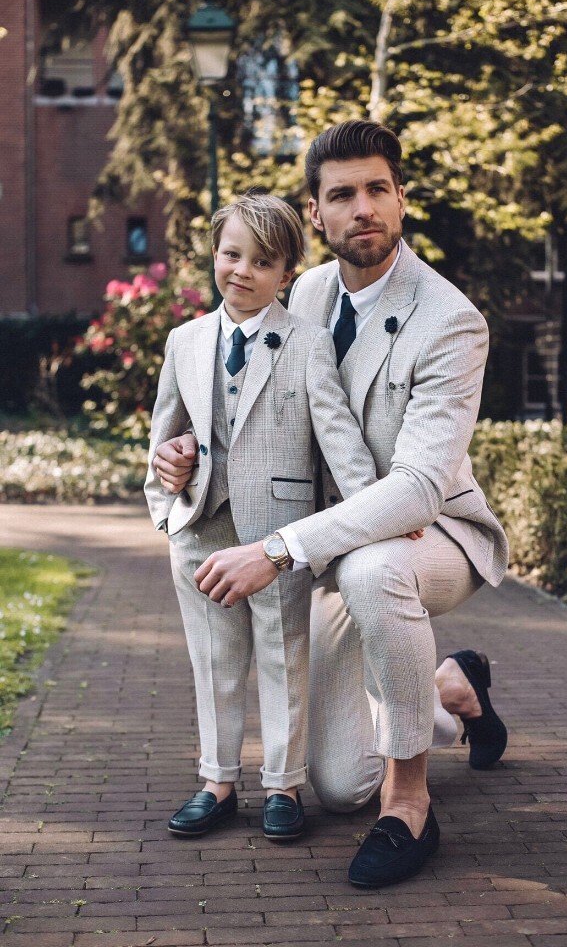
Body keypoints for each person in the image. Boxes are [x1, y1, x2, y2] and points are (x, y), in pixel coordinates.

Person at [152, 121, 509, 887]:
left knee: (377, 570)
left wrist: (278, 548)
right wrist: (183, 454)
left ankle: (409, 802)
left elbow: (415, 488)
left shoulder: (449, 320)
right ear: (314, 215)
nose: (363, 208)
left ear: (402, 198)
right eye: (342, 194)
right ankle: (453, 686)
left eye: (378, 188)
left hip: (429, 533)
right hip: (331, 543)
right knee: (340, 785)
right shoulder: (298, 292)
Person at [144, 190, 388, 842]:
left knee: (283, 656)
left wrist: (376, 510)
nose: (242, 271)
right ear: (214, 256)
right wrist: (166, 499)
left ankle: (282, 785)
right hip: (199, 527)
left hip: (276, 532)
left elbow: (338, 437)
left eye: (262, 261)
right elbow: (164, 431)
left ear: (287, 273)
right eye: (232, 255)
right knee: (214, 660)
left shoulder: (306, 344)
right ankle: (217, 780)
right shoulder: (186, 341)